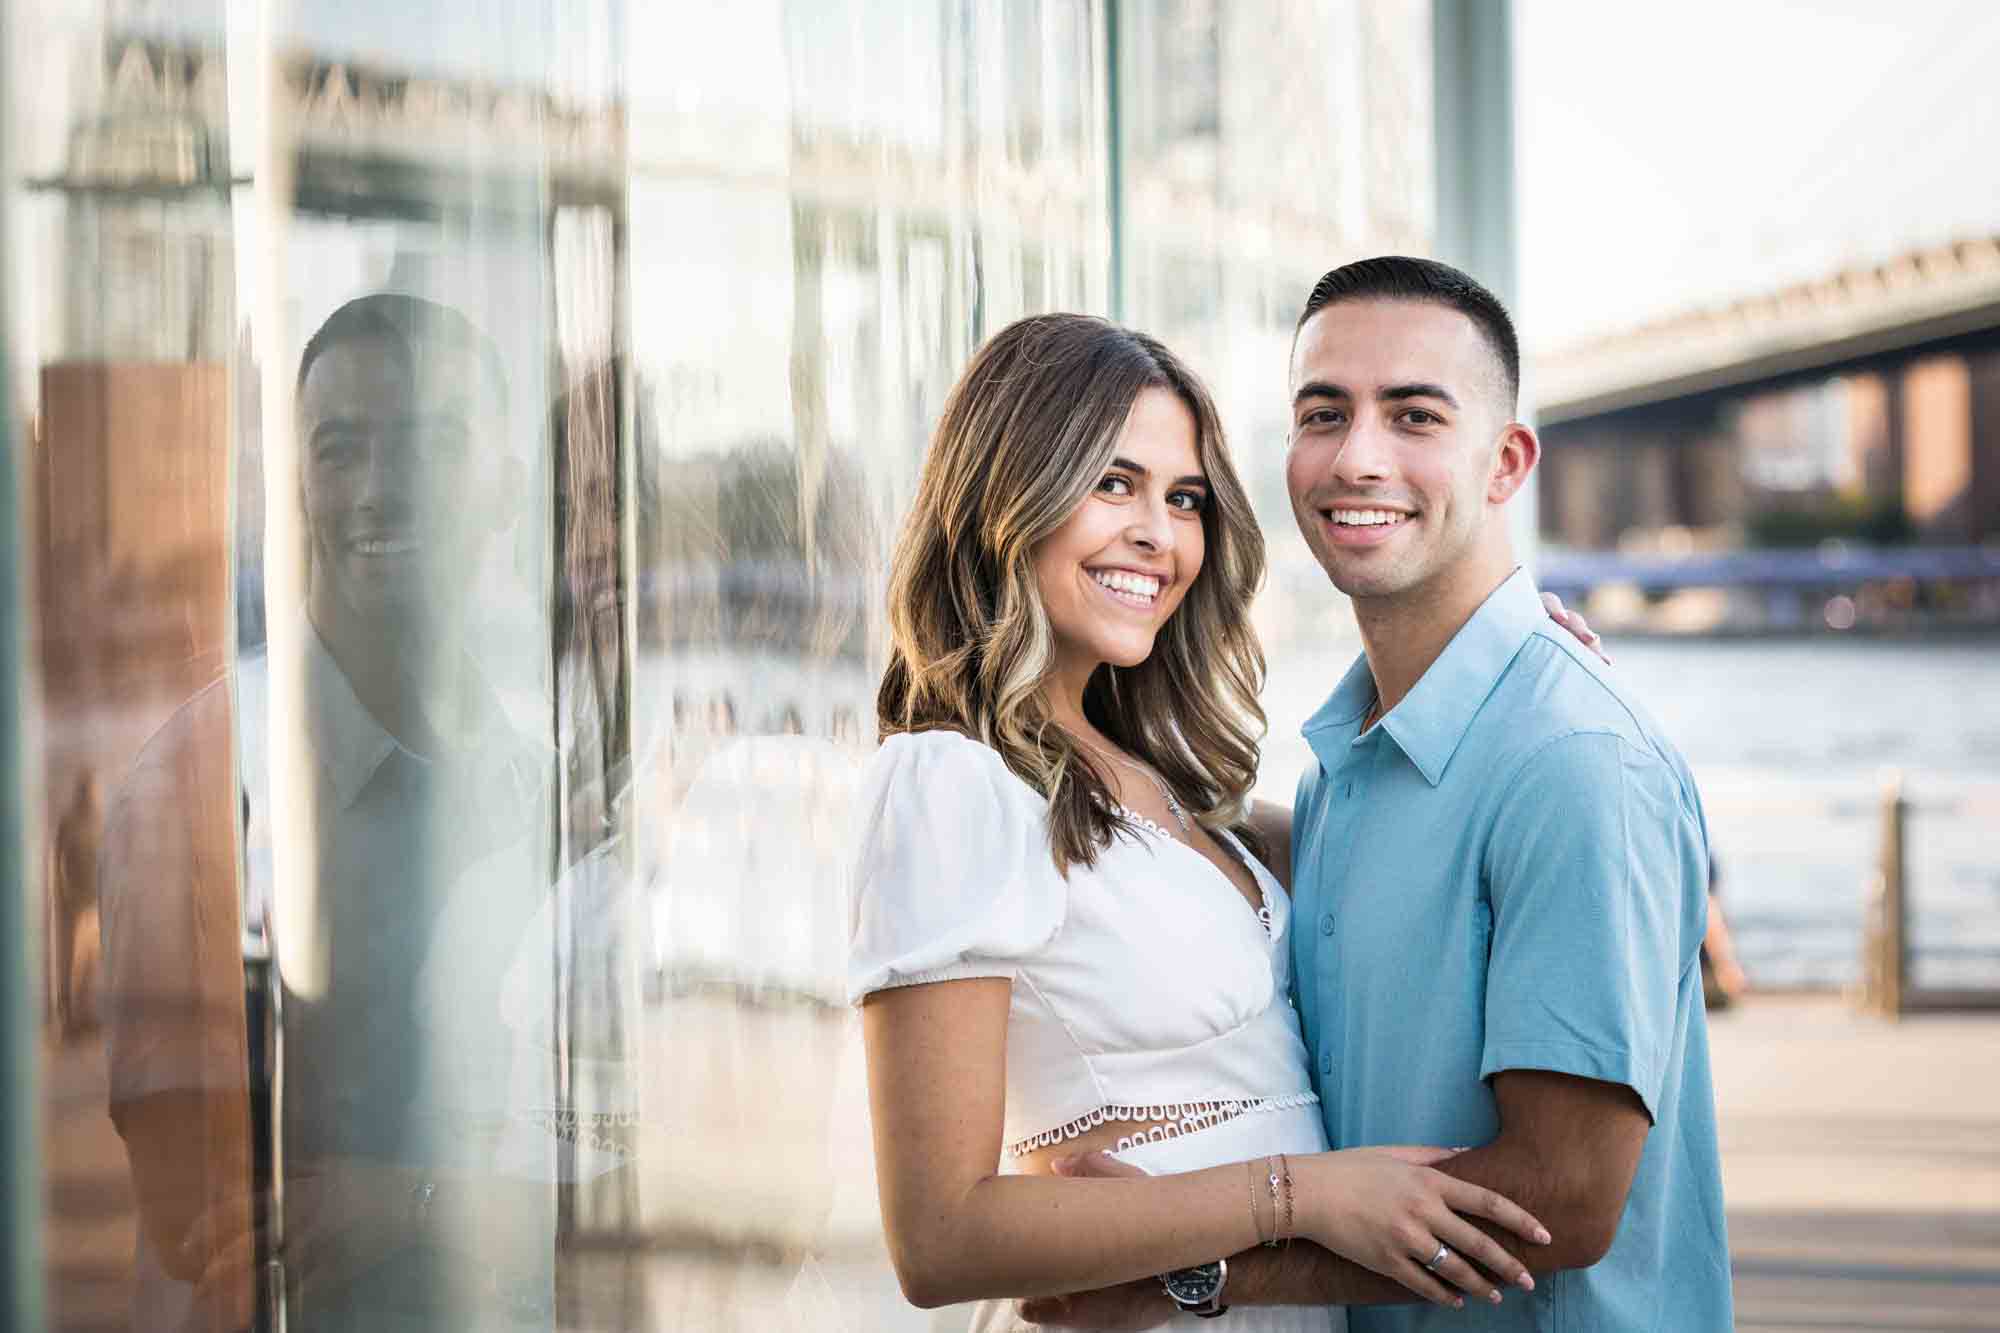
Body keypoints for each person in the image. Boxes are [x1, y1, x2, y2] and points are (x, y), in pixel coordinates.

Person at [1031, 258, 1730, 1330]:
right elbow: (1216, 851)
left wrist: (1190, 1266)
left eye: (1412, 416)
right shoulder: (1352, 760)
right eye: (1323, 413)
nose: (1358, 457)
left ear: (1503, 464)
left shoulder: (1574, 759)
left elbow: (1566, 1197)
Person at [849, 314, 1566, 1333]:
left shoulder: (1156, 782)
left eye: (1182, 499)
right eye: (1111, 483)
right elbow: (938, 1236)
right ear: (1006, 493)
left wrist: (1511, 660)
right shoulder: (946, 782)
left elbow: (1393, 831)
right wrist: (1300, 1195)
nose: (1158, 533)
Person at [100, 294, 565, 1332]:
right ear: (292, 486)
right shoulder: (194, 781)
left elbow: (611, 1162)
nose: (379, 491)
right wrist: (477, 1193)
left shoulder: (536, 787)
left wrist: (407, 1202)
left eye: (430, 445)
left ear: (504, 490)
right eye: (338, 448)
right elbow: (201, 1216)